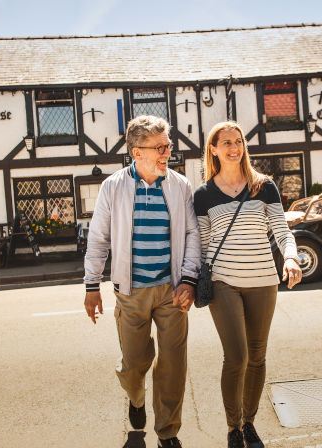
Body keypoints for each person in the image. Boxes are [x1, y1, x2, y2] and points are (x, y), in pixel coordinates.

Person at [83, 115, 201, 448]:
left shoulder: (180, 185)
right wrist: (92, 286)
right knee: (134, 364)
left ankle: (168, 431)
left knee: (173, 364)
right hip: (130, 292)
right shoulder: (113, 186)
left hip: (171, 290)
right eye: (160, 147)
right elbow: (98, 239)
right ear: (137, 153)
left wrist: (189, 279)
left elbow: (192, 233)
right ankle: (136, 398)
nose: (168, 152)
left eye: (169, 145)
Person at [193, 121, 302, 448]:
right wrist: (189, 280)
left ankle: (249, 422)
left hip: (264, 281)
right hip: (224, 282)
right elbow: (202, 243)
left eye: (237, 141)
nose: (233, 147)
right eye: (225, 142)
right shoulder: (203, 194)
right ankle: (233, 428)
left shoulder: (263, 186)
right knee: (237, 356)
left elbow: (281, 230)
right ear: (213, 149)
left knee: (257, 356)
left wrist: (292, 257)